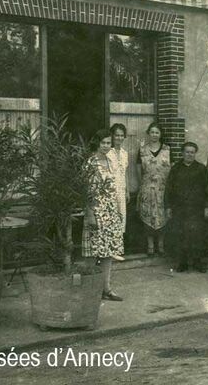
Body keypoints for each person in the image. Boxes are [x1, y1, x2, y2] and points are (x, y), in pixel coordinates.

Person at [81, 129, 124, 301]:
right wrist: (90, 213)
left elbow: (114, 188)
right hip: (96, 210)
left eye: (108, 143)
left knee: (108, 252)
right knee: (92, 252)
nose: (106, 146)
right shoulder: (90, 162)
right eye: (103, 143)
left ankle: (106, 289)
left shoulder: (110, 160)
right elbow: (87, 191)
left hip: (110, 210)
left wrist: (117, 210)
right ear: (97, 143)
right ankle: (89, 290)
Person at [165, 142, 208, 273]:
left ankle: (198, 262)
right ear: (182, 153)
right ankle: (182, 262)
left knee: (197, 236)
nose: (189, 154)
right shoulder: (175, 169)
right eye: (187, 152)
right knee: (181, 235)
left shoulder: (201, 169)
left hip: (197, 209)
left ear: (195, 154)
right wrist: (168, 207)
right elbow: (169, 189)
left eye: (192, 152)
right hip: (180, 209)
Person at [136, 122, 171, 257]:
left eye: (157, 132)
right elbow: (138, 169)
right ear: (148, 133)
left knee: (162, 217)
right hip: (147, 189)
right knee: (148, 216)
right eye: (152, 132)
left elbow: (171, 168)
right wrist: (143, 185)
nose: (154, 135)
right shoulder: (143, 150)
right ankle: (150, 246)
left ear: (160, 134)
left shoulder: (167, 149)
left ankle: (160, 245)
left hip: (163, 190)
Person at [107, 123, 130, 261]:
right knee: (110, 219)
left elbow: (125, 172)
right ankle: (108, 249)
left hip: (121, 190)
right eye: (117, 135)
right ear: (112, 136)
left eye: (122, 135)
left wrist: (127, 191)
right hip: (109, 190)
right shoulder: (107, 152)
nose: (119, 138)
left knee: (121, 218)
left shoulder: (124, 153)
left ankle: (117, 249)